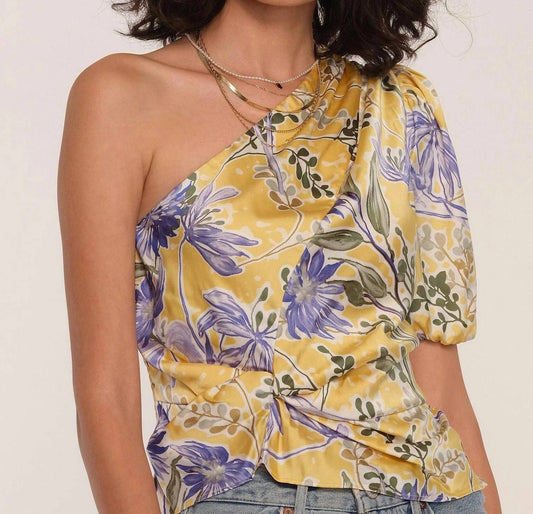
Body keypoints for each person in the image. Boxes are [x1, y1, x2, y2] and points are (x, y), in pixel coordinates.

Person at [57, 1, 501, 513]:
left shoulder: (398, 103)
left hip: (433, 492)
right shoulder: (121, 96)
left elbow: (439, 381)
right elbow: (106, 395)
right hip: (251, 489)